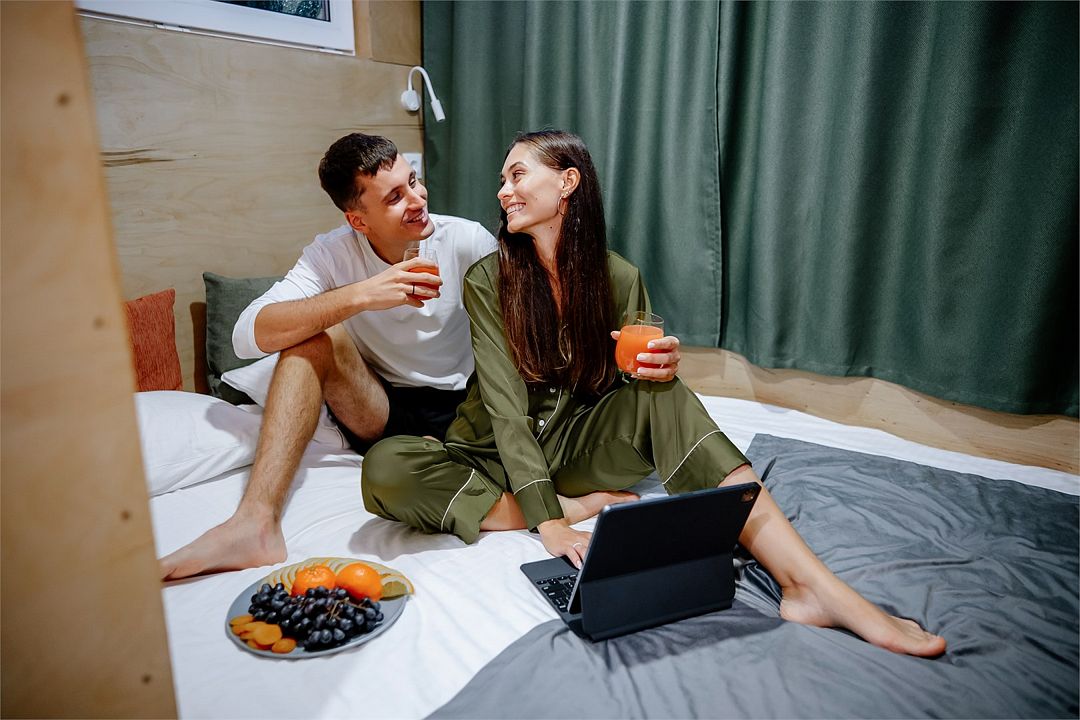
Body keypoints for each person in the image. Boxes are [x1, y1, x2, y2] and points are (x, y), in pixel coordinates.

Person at [362, 130, 947, 657]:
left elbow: (635, 381)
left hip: (574, 450)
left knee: (666, 394)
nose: (503, 192)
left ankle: (809, 584)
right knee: (385, 466)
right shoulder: (488, 280)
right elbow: (506, 409)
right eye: (502, 180)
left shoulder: (619, 277)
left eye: (517, 175)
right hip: (490, 454)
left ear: (568, 182)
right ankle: (562, 505)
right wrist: (553, 522)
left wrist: (660, 368)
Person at [159, 133, 498, 580]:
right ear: (358, 221)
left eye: (413, 182)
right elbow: (247, 335)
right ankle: (255, 523)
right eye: (395, 197)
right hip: (380, 407)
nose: (418, 200)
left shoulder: (466, 241)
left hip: (462, 405)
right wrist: (362, 295)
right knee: (311, 336)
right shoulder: (332, 253)